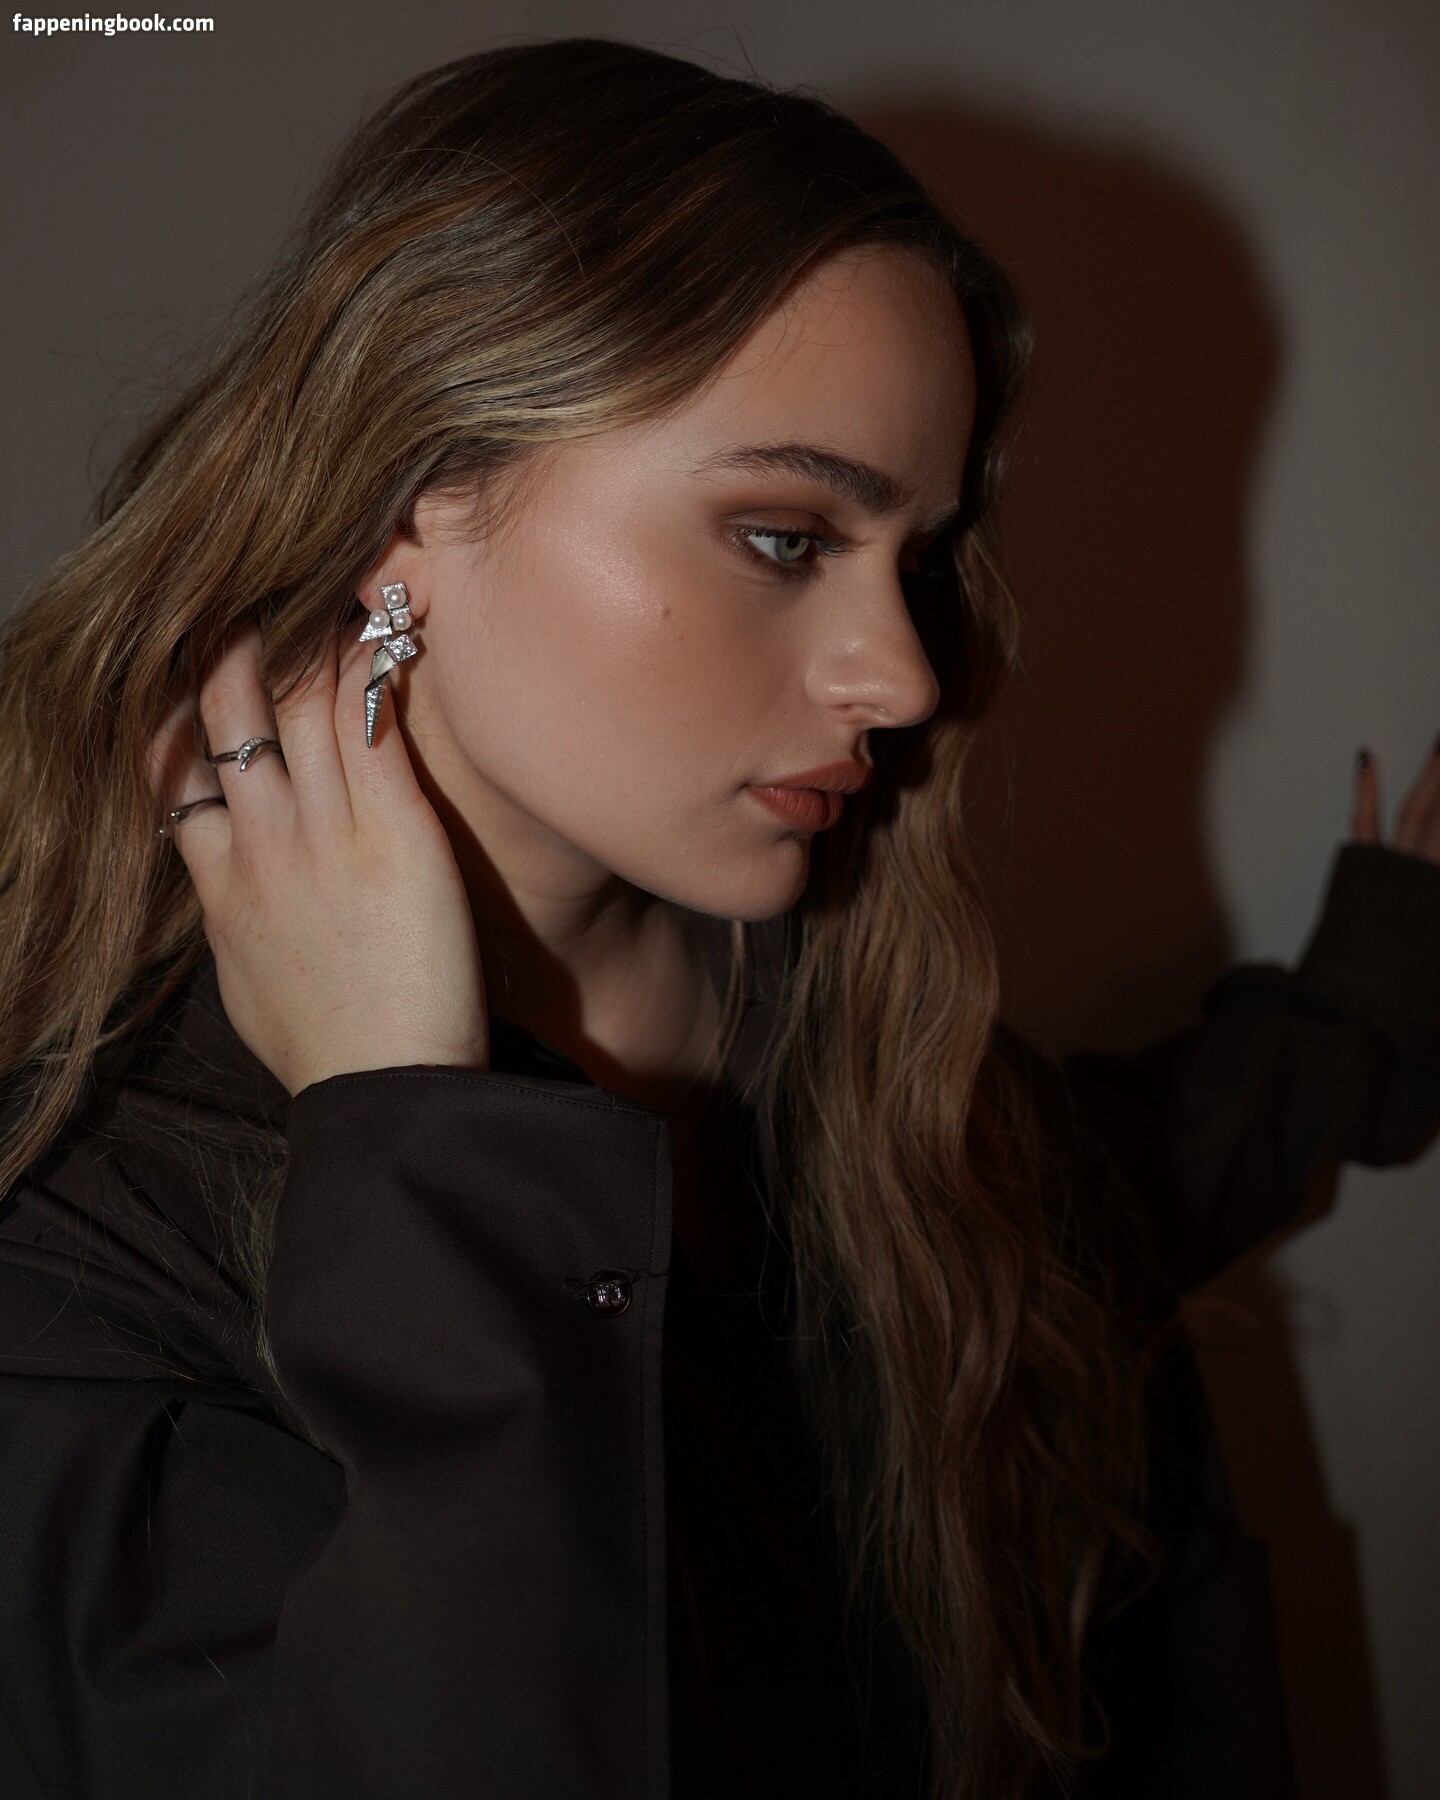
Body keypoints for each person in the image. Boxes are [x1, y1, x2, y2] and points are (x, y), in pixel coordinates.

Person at [0, 35, 1436, 1800]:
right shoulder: (77, 1235)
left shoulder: (861, 1046)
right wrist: (408, 1132)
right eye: (782, 537)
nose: (903, 676)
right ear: (412, 494)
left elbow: (1079, 1210)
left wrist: (1379, 990)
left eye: (916, 559)